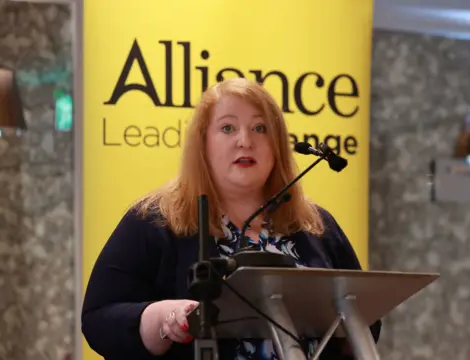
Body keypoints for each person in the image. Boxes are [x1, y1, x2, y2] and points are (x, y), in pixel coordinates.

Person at [81, 78, 381, 359]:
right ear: (203, 144)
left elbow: (363, 319)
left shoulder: (316, 225)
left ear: (277, 145)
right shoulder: (153, 220)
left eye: (260, 128)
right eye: (227, 128)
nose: (245, 141)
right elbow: (98, 319)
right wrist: (159, 318)